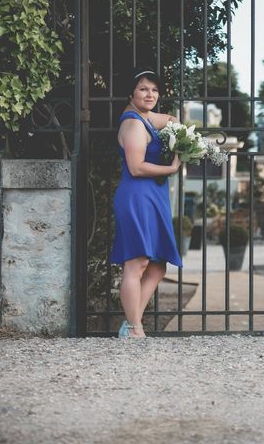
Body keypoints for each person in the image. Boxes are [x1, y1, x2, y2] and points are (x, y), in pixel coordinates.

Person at [111, 67, 182, 338]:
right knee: (137, 262)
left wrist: (182, 139)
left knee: (157, 265)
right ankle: (134, 328)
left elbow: (172, 119)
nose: (149, 94)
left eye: (154, 89)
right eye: (143, 89)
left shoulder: (147, 117)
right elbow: (136, 167)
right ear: (131, 93)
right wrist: (171, 168)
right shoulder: (132, 123)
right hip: (137, 196)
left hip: (154, 197)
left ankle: (131, 322)